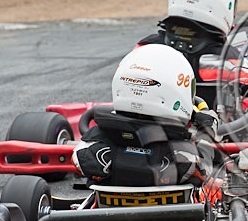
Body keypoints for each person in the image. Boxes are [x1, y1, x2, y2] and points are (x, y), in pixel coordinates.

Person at [73, 44, 218, 187]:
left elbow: (78, 158)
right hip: (173, 191)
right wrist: (208, 130)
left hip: (108, 196)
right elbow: (205, 171)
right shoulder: (187, 161)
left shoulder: (91, 148)